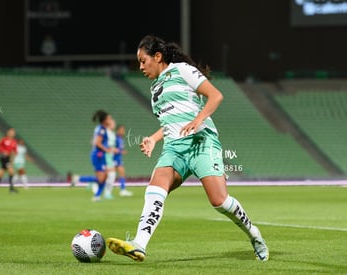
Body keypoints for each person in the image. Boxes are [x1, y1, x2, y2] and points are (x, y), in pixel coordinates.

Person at [106, 35, 269, 262]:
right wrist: (154, 138)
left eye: (143, 61)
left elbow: (215, 96)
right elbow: (169, 123)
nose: (140, 67)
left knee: (219, 201)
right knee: (155, 190)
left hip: (202, 143)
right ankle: (139, 244)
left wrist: (198, 119)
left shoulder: (182, 70)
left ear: (158, 56)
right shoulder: (155, 90)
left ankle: (254, 233)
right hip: (174, 148)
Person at [90, 110, 114, 201]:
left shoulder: (100, 128)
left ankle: (97, 196)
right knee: (101, 177)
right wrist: (106, 149)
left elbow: (94, 141)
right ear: (105, 120)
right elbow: (98, 143)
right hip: (98, 155)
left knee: (105, 176)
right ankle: (79, 179)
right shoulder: (102, 130)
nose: (110, 120)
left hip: (100, 154)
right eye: (109, 119)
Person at [0, 128, 18, 194]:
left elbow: (15, 151)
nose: (12, 133)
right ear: (8, 133)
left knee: (2, 171)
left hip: (8, 158)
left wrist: (12, 160)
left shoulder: (14, 141)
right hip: (3, 157)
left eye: (13, 132)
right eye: (11, 132)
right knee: (11, 171)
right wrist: (3, 151)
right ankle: (11, 189)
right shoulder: (4, 139)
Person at [114, 124, 133, 197]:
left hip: (118, 159)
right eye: (122, 130)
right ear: (118, 130)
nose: (123, 131)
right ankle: (93, 183)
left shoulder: (120, 139)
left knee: (122, 173)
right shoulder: (115, 139)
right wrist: (120, 151)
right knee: (107, 175)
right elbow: (111, 149)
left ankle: (123, 190)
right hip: (113, 159)